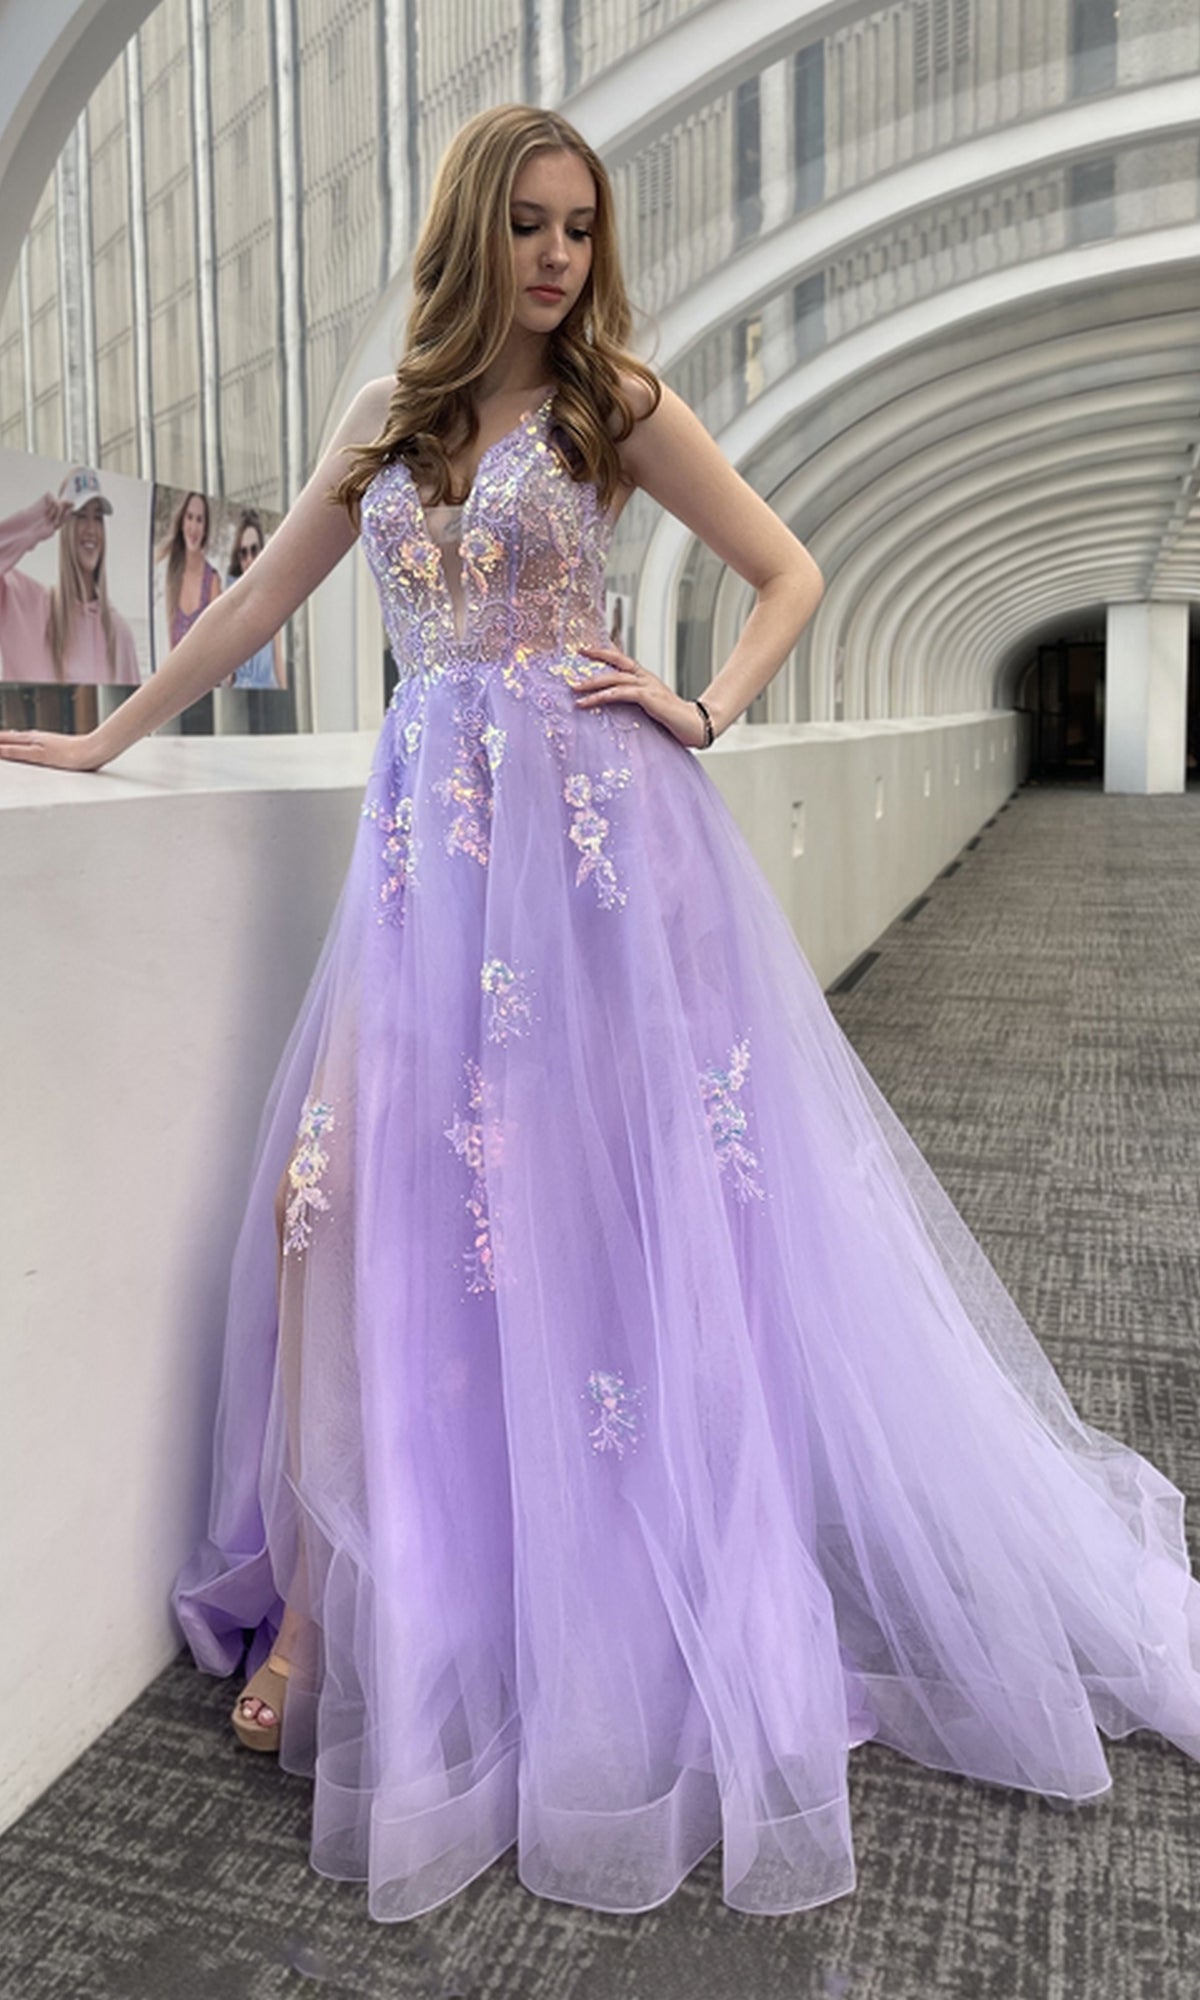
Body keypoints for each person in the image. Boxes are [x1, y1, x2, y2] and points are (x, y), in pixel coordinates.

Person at [3, 104, 1199, 1926]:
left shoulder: (611, 407)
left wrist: (702, 707)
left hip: (594, 863)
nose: (560, 256)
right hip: (429, 873)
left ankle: (598, 1581)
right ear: (471, 233)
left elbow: (791, 572)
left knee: (588, 1211)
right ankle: (330, 1602)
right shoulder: (390, 419)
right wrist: (100, 739)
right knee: (335, 1201)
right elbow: (256, 602)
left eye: (581, 227)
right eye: (531, 224)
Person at [0, 466, 140, 684]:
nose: (91, 529)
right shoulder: (26, 606)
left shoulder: (120, 635)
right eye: (81, 516)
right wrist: (35, 523)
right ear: (63, 525)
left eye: (98, 518)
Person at [224, 509, 286, 689]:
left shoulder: (272, 596)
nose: (249, 559)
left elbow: (278, 658)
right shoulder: (230, 595)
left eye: (254, 550)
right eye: (243, 553)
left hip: (266, 691)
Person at [157, 489, 221, 651]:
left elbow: (217, 643)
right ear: (182, 523)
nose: (193, 527)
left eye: (199, 520)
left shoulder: (212, 580)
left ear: (205, 528)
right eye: (189, 517)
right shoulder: (172, 573)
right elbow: (171, 643)